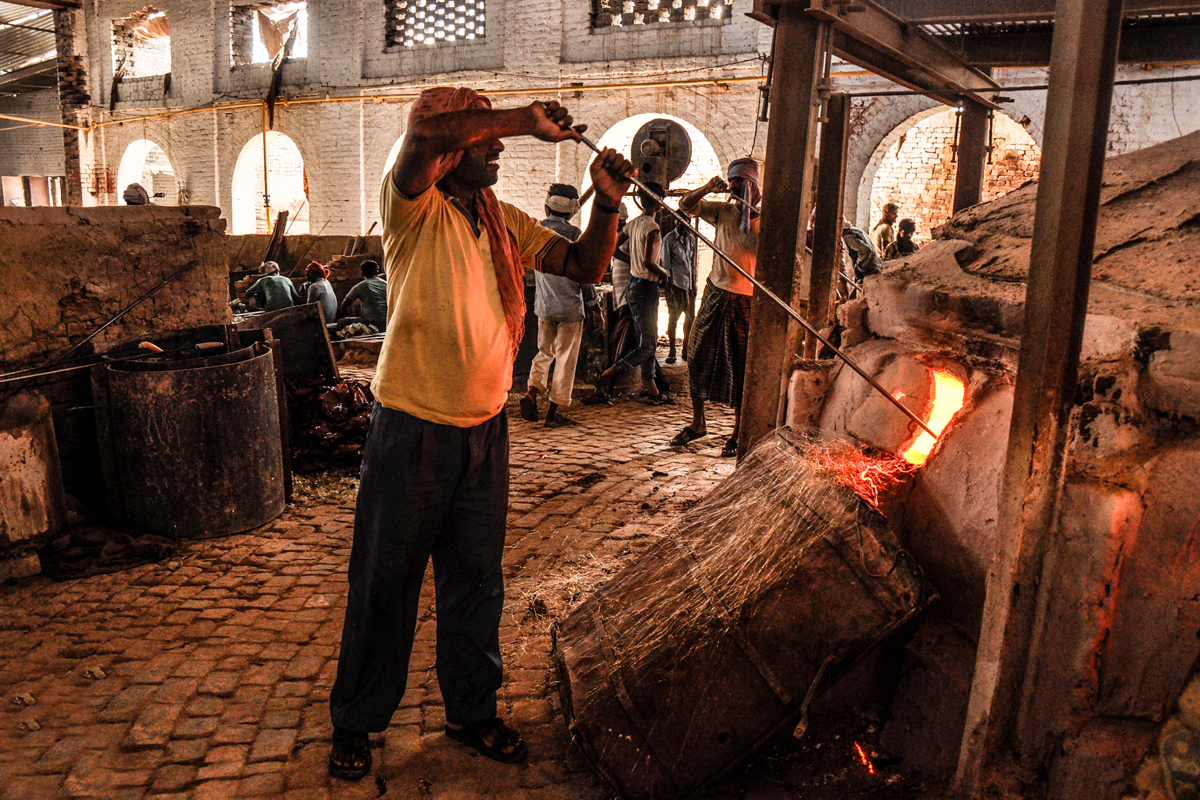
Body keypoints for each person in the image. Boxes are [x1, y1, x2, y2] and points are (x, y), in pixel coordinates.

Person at [327, 86, 633, 780]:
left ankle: (471, 710)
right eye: (485, 134)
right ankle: (356, 718)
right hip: (411, 431)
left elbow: (582, 267)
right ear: (453, 145)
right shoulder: (410, 205)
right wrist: (525, 120)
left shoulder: (500, 219)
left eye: (500, 133)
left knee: (475, 583)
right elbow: (428, 139)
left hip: (484, 432)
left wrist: (608, 201)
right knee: (385, 582)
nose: (498, 145)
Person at [671, 158, 761, 457]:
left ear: (754, 185)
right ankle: (698, 423)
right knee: (695, 355)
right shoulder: (723, 211)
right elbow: (685, 205)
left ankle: (738, 431)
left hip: (746, 299)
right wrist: (708, 188)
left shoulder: (769, 220)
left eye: (740, 183)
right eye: (731, 181)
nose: (734, 187)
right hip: (715, 293)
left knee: (741, 366)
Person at [521, 184, 601, 428]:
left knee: (543, 352)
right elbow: (584, 274)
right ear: (571, 212)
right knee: (565, 360)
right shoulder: (575, 233)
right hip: (570, 308)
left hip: (544, 305)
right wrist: (594, 306)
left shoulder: (537, 229)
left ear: (548, 204)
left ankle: (531, 392)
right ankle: (552, 414)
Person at [589, 183, 671, 404]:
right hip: (646, 287)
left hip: (633, 287)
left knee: (647, 341)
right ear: (658, 202)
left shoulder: (633, 224)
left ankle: (654, 391)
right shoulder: (652, 227)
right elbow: (649, 263)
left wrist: (631, 261)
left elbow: (613, 249)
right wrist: (664, 273)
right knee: (648, 345)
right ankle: (608, 375)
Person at [662, 213, 695, 365]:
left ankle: (686, 348)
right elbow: (666, 265)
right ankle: (672, 350)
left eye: (686, 221)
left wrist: (693, 284)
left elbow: (692, 265)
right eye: (679, 221)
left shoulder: (692, 240)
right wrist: (668, 286)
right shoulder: (669, 239)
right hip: (675, 285)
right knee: (673, 318)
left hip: (688, 286)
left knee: (689, 319)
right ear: (676, 222)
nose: (683, 224)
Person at [339, 260, 388, 330]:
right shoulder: (386, 284)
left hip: (370, 323)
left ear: (362, 273)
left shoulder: (361, 286)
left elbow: (343, 306)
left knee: (341, 322)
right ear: (377, 272)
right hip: (387, 321)